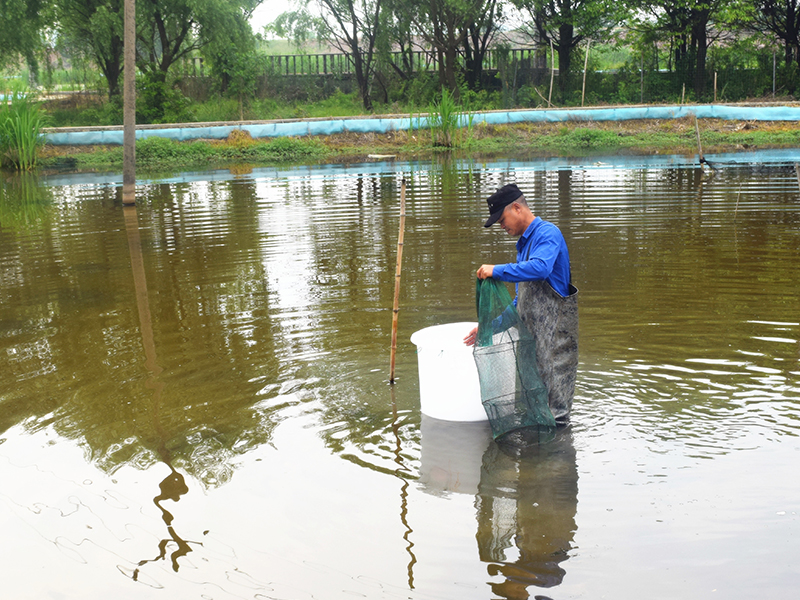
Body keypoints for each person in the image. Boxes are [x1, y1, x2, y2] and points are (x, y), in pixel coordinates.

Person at [465, 183, 579, 425]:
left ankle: (555, 458)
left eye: (502, 219)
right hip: (534, 341)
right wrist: (488, 326)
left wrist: (496, 270)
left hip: (555, 339)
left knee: (555, 415)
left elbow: (541, 268)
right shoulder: (524, 245)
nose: (501, 226)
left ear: (516, 207)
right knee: (535, 406)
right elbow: (521, 302)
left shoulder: (548, 234)